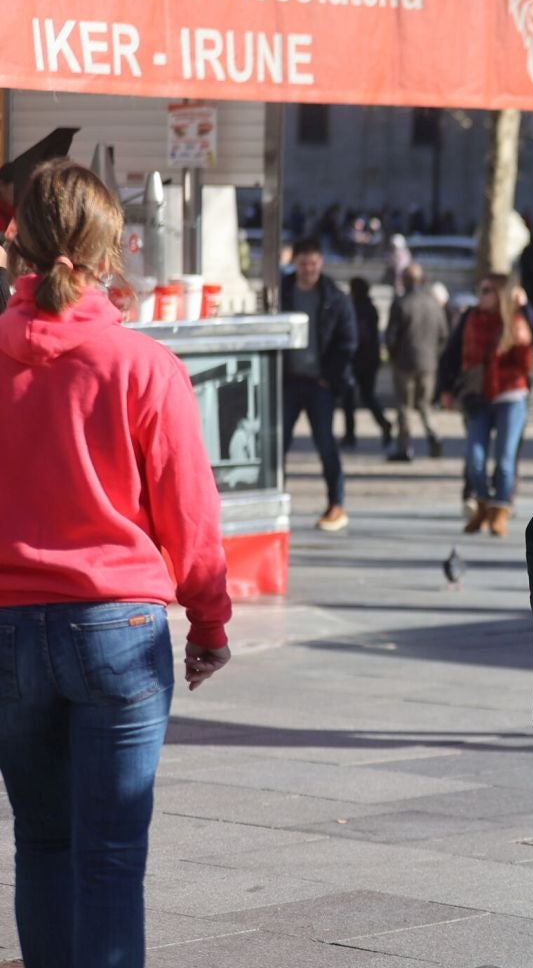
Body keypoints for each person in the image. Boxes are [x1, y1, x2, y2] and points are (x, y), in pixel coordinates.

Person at [0, 158, 233, 966]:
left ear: (15, 244)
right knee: (109, 859)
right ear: (112, 252)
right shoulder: (144, 367)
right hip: (117, 627)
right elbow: (189, 513)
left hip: (6, 627)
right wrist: (210, 620)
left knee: (42, 844)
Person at [448, 274, 533, 537]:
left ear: (500, 295)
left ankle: (500, 512)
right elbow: (457, 354)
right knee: (474, 458)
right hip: (479, 398)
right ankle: (483, 505)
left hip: (510, 396)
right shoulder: (472, 318)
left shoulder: (515, 323)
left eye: (487, 290)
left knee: (505, 461)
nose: (481, 294)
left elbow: (526, 366)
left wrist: (523, 345)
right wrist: (449, 388)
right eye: (480, 289)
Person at [280, 237, 356, 532]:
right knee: (278, 444)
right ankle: (278, 499)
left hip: (319, 383)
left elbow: (348, 341)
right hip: (288, 380)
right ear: (294, 263)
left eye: (313, 264)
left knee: (326, 444)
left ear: (321, 263)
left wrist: (332, 376)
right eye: (303, 264)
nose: (308, 269)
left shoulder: (334, 296)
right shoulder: (283, 291)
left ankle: (336, 503)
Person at [386, 263, 447, 462]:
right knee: (425, 404)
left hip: (405, 362)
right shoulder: (433, 303)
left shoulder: (402, 303)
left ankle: (405, 447)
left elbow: (391, 337)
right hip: (429, 362)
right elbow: (443, 334)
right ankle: (434, 434)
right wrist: (435, 355)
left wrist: (394, 355)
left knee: (404, 406)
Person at [343, 277, 394, 450]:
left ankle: (350, 434)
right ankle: (382, 423)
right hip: (370, 359)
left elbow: (357, 335)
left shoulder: (356, 309)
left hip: (358, 359)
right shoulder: (371, 308)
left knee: (350, 398)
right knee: (367, 396)